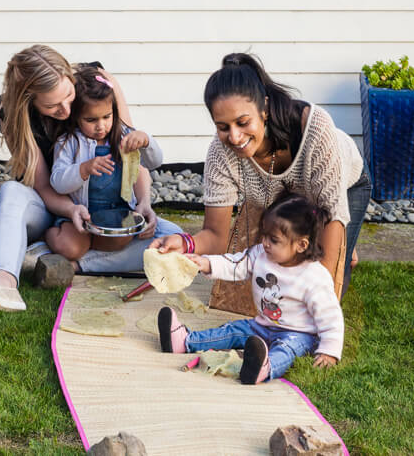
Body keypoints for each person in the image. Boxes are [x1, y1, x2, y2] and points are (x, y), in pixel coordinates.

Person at [0, 46, 183, 316]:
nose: (66, 109)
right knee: (11, 191)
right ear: (30, 101)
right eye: (52, 105)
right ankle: (4, 283)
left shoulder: (98, 83)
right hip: (52, 207)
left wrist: (144, 202)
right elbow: (43, 187)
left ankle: (60, 262)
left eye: (68, 96)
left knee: (176, 240)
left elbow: (131, 153)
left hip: (105, 212)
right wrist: (71, 210)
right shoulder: (14, 115)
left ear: (70, 75)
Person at [151, 53, 370, 302]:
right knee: (273, 280)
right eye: (223, 127)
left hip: (343, 186)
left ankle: (347, 242)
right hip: (282, 201)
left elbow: (331, 216)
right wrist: (184, 243)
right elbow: (215, 236)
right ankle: (344, 242)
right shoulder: (220, 153)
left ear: (264, 109)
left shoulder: (315, 127)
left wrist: (321, 300)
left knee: (318, 284)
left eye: (243, 122)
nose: (234, 137)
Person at [158, 193, 344, 385]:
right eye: (264, 235)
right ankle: (185, 340)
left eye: (274, 239)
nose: (264, 243)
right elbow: (234, 264)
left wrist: (329, 351)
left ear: (301, 245)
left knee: (286, 349)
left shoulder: (314, 277)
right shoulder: (260, 255)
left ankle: (265, 368)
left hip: (299, 335)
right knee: (232, 330)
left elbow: (330, 317)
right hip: (262, 326)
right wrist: (205, 263)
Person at [47, 64, 166, 266]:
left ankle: (88, 255)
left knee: (127, 236)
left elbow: (153, 162)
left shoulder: (124, 136)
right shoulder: (69, 143)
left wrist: (146, 140)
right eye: (91, 119)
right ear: (76, 117)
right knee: (70, 247)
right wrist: (82, 169)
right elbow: (57, 182)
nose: (101, 125)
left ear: (114, 112)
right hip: (82, 214)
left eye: (106, 117)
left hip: (118, 212)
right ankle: (47, 241)